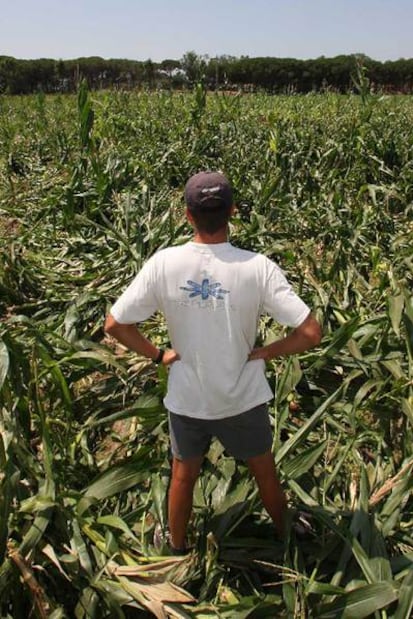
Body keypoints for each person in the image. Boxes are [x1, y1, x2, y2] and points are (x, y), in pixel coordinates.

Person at [104, 171, 322, 553]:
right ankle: (287, 534)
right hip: (242, 396)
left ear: (188, 215)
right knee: (264, 471)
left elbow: (115, 324)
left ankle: (175, 545)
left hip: (189, 397)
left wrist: (159, 355)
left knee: (183, 475)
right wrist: (268, 351)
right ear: (232, 211)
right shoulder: (257, 267)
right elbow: (310, 332)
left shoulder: (164, 264)